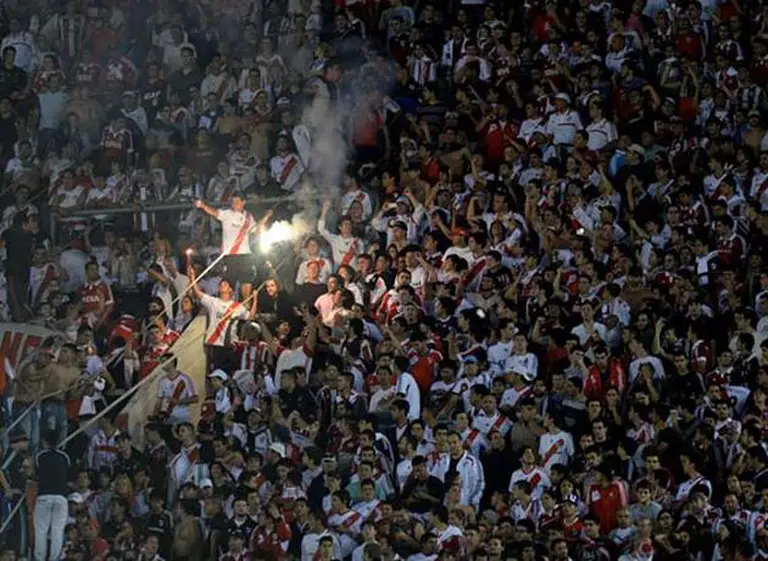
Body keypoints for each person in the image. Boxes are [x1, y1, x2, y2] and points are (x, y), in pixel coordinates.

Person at [34, 430, 70, 561]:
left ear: (45, 441)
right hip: (61, 497)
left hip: (44, 496)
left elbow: (36, 473)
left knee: (41, 530)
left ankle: (39, 558)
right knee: (57, 530)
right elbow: (69, 474)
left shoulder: (40, 456)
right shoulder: (65, 456)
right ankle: (54, 558)